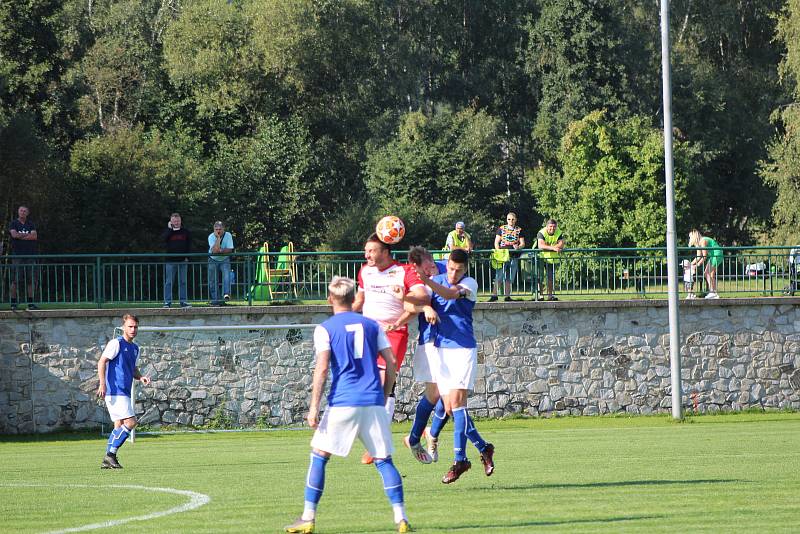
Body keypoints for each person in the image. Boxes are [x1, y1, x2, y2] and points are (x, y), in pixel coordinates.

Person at [284, 276, 411, 534]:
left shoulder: (325, 328)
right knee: (383, 460)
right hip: (373, 401)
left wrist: (313, 408)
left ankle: (308, 517)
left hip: (343, 401)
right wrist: (384, 396)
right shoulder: (373, 326)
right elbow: (391, 365)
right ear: (355, 299)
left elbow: (321, 370)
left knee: (319, 456)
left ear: (330, 299)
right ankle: (401, 519)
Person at [412, 249, 494, 484]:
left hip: (462, 350)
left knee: (458, 407)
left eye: (458, 270)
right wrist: (404, 296)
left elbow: (448, 295)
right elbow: (417, 300)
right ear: (445, 264)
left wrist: (425, 280)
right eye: (450, 268)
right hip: (441, 352)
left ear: (465, 270)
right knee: (449, 407)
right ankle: (484, 447)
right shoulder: (436, 280)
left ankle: (460, 460)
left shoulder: (469, 283)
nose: (453, 273)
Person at [352, 235, 429, 431]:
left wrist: (403, 295)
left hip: (393, 332)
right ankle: (370, 427)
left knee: (386, 381)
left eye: (371, 250)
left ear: (385, 252)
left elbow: (423, 297)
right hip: (367, 333)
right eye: (366, 251)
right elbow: (359, 300)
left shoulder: (404, 271)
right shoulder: (365, 271)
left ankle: (380, 433)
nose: (367, 254)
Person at [96, 314, 151, 469]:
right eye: (130, 326)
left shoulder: (135, 348)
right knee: (131, 422)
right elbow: (102, 361)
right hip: (115, 391)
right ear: (123, 328)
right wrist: (102, 384)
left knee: (119, 425)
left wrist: (140, 377)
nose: (133, 329)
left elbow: (132, 368)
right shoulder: (116, 343)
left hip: (124, 391)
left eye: (135, 327)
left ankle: (109, 459)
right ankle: (110, 455)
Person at [8, 205, 39, 311]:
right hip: (17, 255)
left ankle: (30, 303)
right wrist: (26, 236)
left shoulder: (31, 224)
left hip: (30, 255)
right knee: (15, 280)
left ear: (28, 213)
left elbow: (34, 236)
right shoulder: (13, 223)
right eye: (21, 210)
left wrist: (20, 235)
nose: (23, 212)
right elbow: (14, 235)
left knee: (31, 280)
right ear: (18, 212)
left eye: (25, 211)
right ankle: (13, 303)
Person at [489, 212, 525, 302]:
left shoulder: (519, 230)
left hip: (514, 256)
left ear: (515, 220)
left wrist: (519, 247)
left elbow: (523, 243)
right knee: (499, 275)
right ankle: (494, 295)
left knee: (510, 277)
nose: (511, 221)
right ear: (506, 220)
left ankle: (507, 296)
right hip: (503, 255)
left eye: (513, 219)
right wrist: (498, 252)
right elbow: (496, 242)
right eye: (509, 219)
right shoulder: (501, 229)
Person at [161, 213, 192, 308]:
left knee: (183, 282)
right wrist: (170, 229)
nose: (176, 222)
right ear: (171, 221)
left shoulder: (185, 231)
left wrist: (188, 257)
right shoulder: (168, 231)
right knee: (169, 282)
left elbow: (189, 245)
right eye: (174, 221)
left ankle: (183, 302)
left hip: (183, 260)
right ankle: (167, 302)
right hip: (170, 261)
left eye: (178, 221)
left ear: (180, 221)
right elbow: (162, 240)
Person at [688, 229, 722, 299]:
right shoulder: (699, 244)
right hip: (713, 255)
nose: (690, 239)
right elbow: (698, 257)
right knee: (707, 273)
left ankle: (713, 293)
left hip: (717, 254)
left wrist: (697, 265)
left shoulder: (703, 241)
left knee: (710, 273)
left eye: (690, 237)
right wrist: (690, 264)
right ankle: (713, 292)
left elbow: (704, 256)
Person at [536, 219, 564, 301]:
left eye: (554, 226)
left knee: (550, 278)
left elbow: (561, 244)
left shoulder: (558, 232)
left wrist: (551, 247)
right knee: (540, 277)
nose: (552, 228)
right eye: (550, 226)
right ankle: (541, 295)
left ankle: (550, 295)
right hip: (541, 258)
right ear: (547, 226)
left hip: (552, 259)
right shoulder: (541, 232)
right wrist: (553, 247)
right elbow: (541, 245)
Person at [207, 221, 234, 306]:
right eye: (216, 229)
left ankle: (226, 295)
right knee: (212, 280)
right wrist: (218, 238)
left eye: (220, 229)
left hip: (225, 259)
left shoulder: (228, 235)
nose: (218, 231)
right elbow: (214, 251)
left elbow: (230, 250)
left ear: (223, 229)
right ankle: (215, 300)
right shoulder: (211, 236)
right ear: (214, 229)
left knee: (227, 276)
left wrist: (220, 251)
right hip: (212, 259)